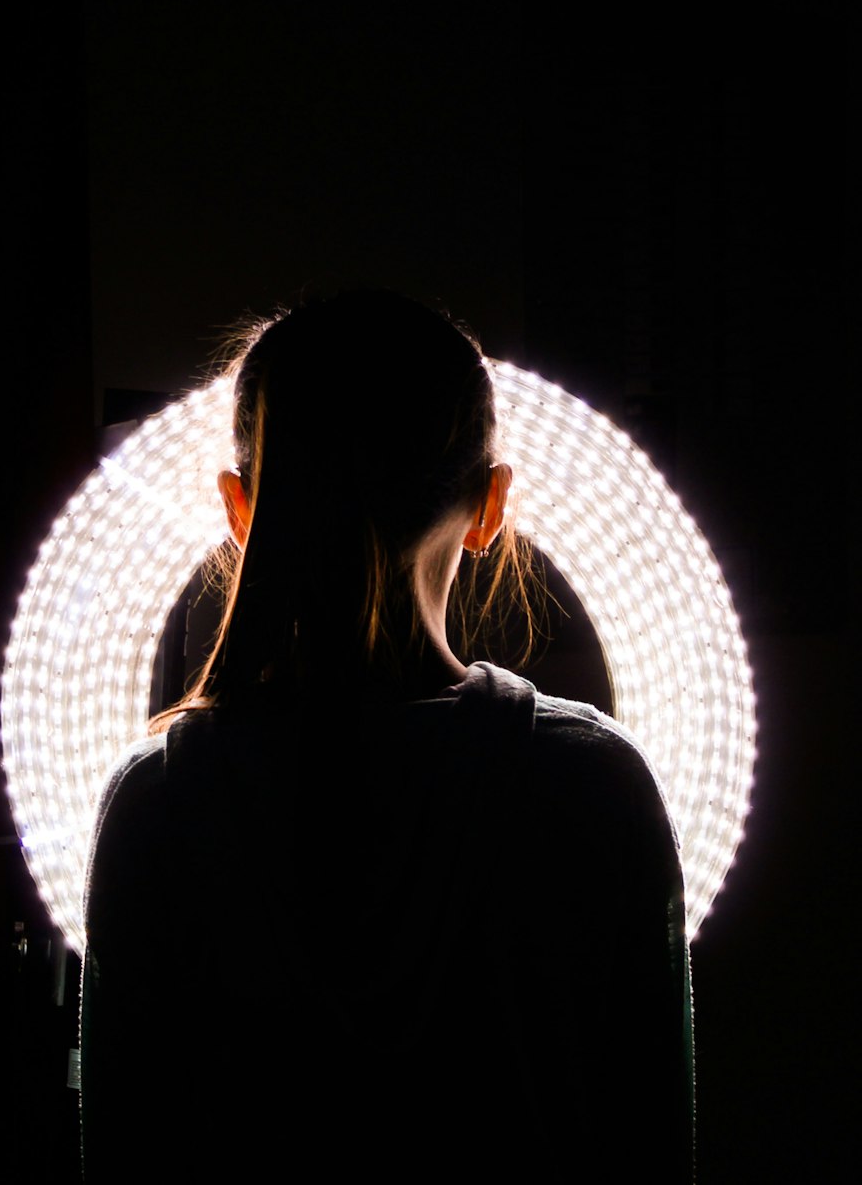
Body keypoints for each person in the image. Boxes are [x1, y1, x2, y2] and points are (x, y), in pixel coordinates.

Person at [80, 290, 694, 1181]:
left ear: (239, 509)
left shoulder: (160, 799)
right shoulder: (593, 783)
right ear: (492, 506)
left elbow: (124, 1152)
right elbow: (652, 1143)